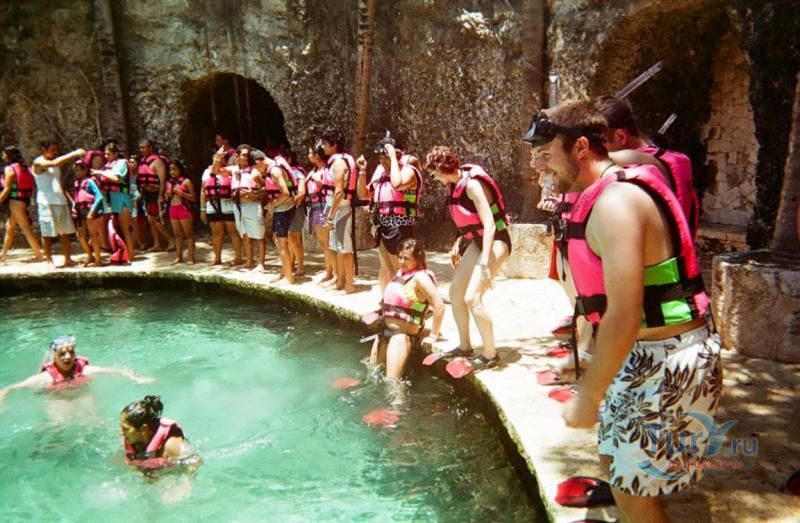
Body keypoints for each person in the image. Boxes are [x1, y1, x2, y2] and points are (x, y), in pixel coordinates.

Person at [527, 100, 720, 523]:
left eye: (545, 154)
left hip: (668, 360)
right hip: (641, 355)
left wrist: (589, 395)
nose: (538, 166)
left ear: (580, 148)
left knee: (634, 493)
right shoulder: (605, 186)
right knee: (617, 466)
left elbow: (625, 313)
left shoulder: (616, 203)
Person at [424, 145, 512, 371]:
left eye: (433, 173)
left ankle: (490, 355)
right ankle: (465, 346)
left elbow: (490, 225)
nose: (434, 178)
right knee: (455, 292)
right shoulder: (454, 184)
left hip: (497, 241)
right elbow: (465, 220)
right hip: (477, 241)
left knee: (473, 297)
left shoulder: (472, 186)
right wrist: (458, 243)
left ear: (442, 168)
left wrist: (484, 262)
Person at [594, 95, 700, 236]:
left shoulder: (635, 169)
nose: (598, 152)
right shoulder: (671, 160)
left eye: (599, 146)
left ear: (621, 136)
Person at [369, 239, 444, 380]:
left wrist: (433, 335)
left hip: (400, 337)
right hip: (383, 332)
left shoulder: (421, 277)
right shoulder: (401, 274)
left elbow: (439, 306)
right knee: (371, 376)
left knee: (393, 383)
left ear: (418, 259)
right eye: (400, 257)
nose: (402, 262)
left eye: (406, 258)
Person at [0, 336, 153, 404]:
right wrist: (3, 396)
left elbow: (116, 370)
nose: (68, 357)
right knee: (59, 424)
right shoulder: (46, 377)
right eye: (62, 354)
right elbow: (13, 387)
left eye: (71, 352)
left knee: (93, 420)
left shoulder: (84, 370)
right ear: (54, 357)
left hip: (83, 395)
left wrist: (137, 378)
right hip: (58, 399)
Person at [363, 137, 423, 295]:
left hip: (400, 226)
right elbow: (364, 193)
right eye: (381, 158)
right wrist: (362, 171)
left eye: (386, 158)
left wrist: (393, 158)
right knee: (385, 267)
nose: (383, 162)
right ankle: (387, 299)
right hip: (381, 224)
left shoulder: (409, 171)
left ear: (398, 155)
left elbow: (397, 184)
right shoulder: (381, 171)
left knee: (402, 267)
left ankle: (411, 301)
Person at [31, 140, 84, 266]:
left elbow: (59, 183)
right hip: (46, 202)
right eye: (52, 150)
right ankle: (49, 260)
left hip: (60, 201)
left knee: (65, 232)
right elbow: (55, 163)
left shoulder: (56, 165)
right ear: (44, 149)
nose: (55, 152)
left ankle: (67, 259)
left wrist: (71, 201)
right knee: (47, 233)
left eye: (56, 150)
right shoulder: (38, 163)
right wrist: (74, 153)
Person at [120, 395, 201, 475]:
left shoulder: (171, 445)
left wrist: (186, 480)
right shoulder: (132, 440)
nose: (121, 432)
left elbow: (196, 461)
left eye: (126, 429)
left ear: (143, 429)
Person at [320, 129, 360, 293]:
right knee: (337, 247)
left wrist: (329, 216)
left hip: (341, 210)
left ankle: (349, 284)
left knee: (345, 248)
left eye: (324, 143)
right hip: (337, 209)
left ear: (334, 145)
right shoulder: (338, 161)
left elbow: (338, 192)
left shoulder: (338, 164)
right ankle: (340, 280)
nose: (322, 146)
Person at [216, 145, 266, 270]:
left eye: (247, 155)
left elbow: (267, 188)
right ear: (237, 156)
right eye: (243, 155)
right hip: (237, 206)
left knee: (259, 235)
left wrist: (255, 193)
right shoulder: (233, 169)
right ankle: (250, 261)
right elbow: (216, 171)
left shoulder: (255, 170)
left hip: (252, 205)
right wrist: (217, 158)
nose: (246, 157)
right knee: (244, 233)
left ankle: (261, 263)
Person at [257, 150, 297, 283]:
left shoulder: (274, 171)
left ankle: (289, 278)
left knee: (282, 243)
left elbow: (285, 193)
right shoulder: (274, 168)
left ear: (259, 161)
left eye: (257, 167)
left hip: (283, 209)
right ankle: (285, 273)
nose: (258, 170)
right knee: (279, 241)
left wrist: (272, 205)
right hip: (281, 208)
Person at [93, 141, 135, 260]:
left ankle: (131, 256)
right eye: (105, 154)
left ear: (116, 153)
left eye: (109, 154)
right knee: (116, 229)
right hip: (112, 200)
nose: (106, 156)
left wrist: (100, 172)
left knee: (125, 229)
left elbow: (117, 178)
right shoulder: (108, 165)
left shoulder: (121, 163)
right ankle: (122, 254)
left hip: (122, 198)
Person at [0, 147, 43, 262]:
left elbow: (7, 189)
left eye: (4, 154)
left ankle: (39, 255)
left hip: (15, 202)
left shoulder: (9, 169)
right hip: (24, 200)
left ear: (9, 156)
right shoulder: (25, 168)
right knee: (10, 228)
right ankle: (3, 255)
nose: (3, 156)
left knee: (26, 229)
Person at [200, 148, 242, 266]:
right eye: (217, 157)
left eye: (221, 157)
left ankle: (238, 258)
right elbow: (203, 191)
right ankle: (217, 258)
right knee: (216, 233)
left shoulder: (232, 169)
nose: (219, 159)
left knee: (233, 232)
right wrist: (202, 209)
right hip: (212, 204)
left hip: (227, 204)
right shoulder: (207, 172)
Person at [137, 139, 174, 252]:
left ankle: (171, 240)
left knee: (154, 219)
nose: (141, 150)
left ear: (150, 148)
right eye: (140, 148)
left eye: (144, 147)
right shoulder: (143, 162)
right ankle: (157, 244)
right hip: (147, 194)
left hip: (156, 193)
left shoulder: (158, 162)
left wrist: (161, 196)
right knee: (150, 220)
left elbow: (162, 180)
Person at [307, 142, 336, 283]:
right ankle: (329, 271)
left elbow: (331, 187)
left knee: (329, 243)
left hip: (324, 207)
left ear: (317, 155)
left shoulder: (326, 171)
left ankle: (335, 273)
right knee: (324, 244)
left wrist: (317, 180)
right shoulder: (313, 171)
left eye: (310, 153)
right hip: (315, 208)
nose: (308, 156)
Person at [71, 159, 106, 266]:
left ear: (85, 170)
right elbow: (76, 197)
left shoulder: (89, 181)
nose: (77, 172)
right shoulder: (76, 183)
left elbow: (99, 197)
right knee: (80, 235)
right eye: (75, 170)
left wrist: (92, 211)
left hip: (90, 210)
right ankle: (90, 256)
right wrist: (73, 207)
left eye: (79, 170)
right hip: (80, 211)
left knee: (93, 235)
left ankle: (98, 260)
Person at [164, 160, 196, 265]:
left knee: (189, 234)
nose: (172, 172)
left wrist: (182, 193)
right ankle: (179, 257)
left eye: (175, 169)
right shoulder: (168, 183)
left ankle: (191, 257)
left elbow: (194, 198)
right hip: (173, 209)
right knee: (177, 235)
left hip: (184, 209)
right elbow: (166, 198)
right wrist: (167, 195)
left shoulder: (186, 182)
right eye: (170, 170)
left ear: (180, 169)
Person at [285, 150, 307, 277]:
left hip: (296, 209)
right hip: (285, 209)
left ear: (289, 159)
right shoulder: (283, 173)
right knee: (288, 238)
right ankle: (291, 263)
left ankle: (300, 267)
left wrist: (293, 204)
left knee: (295, 238)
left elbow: (302, 192)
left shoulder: (297, 173)